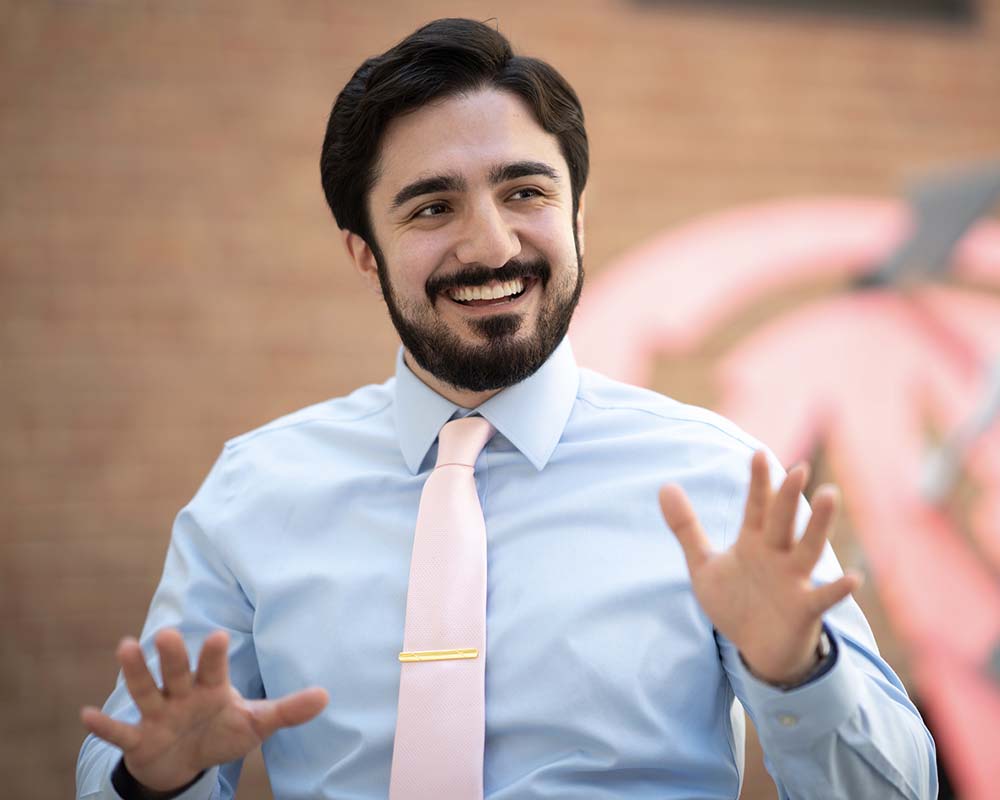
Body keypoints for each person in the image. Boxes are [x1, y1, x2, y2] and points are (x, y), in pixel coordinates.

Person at [77, 17, 937, 800]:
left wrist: (798, 674)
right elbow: (119, 762)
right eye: (432, 206)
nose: (491, 245)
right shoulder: (252, 493)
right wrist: (157, 782)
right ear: (365, 253)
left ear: (579, 217)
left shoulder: (717, 480)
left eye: (525, 192)